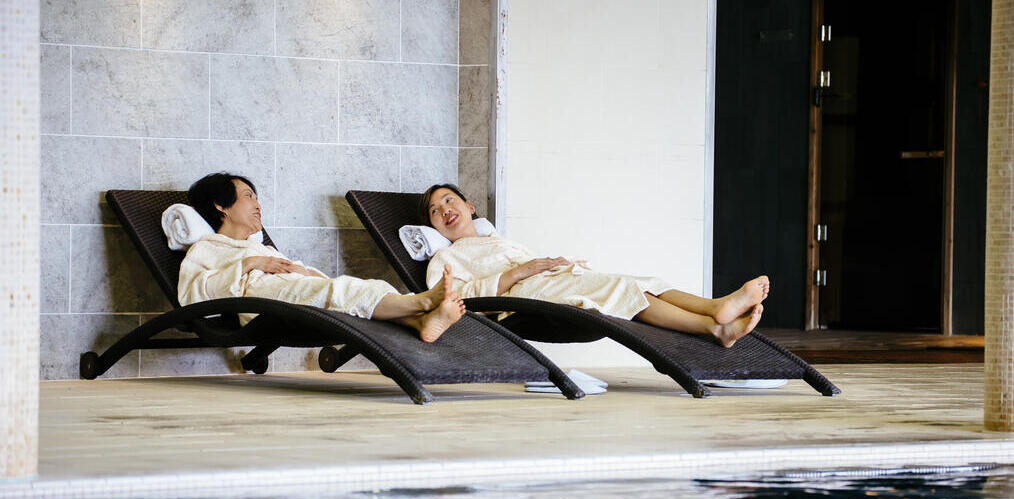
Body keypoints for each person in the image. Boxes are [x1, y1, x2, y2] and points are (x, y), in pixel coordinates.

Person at [419, 184, 769, 348]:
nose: (444, 209)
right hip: (523, 300)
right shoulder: (445, 258)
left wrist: (546, 265)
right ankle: (713, 326)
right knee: (623, 289)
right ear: (434, 226)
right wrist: (517, 273)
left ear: (469, 205)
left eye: (449, 200)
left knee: (642, 281)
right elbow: (452, 299)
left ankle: (715, 312)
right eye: (435, 210)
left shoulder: (497, 241)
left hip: (553, 282)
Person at [179, 172, 465, 342]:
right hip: (263, 305)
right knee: (341, 292)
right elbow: (192, 294)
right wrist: (250, 264)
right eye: (248, 196)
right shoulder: (208, 247)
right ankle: (423, 301)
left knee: (345, 290)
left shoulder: (260, 247)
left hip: (289, 294)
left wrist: (303, 272)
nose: (258, 204)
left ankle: (420, 322)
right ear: (221, 205)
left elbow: (292, 271)